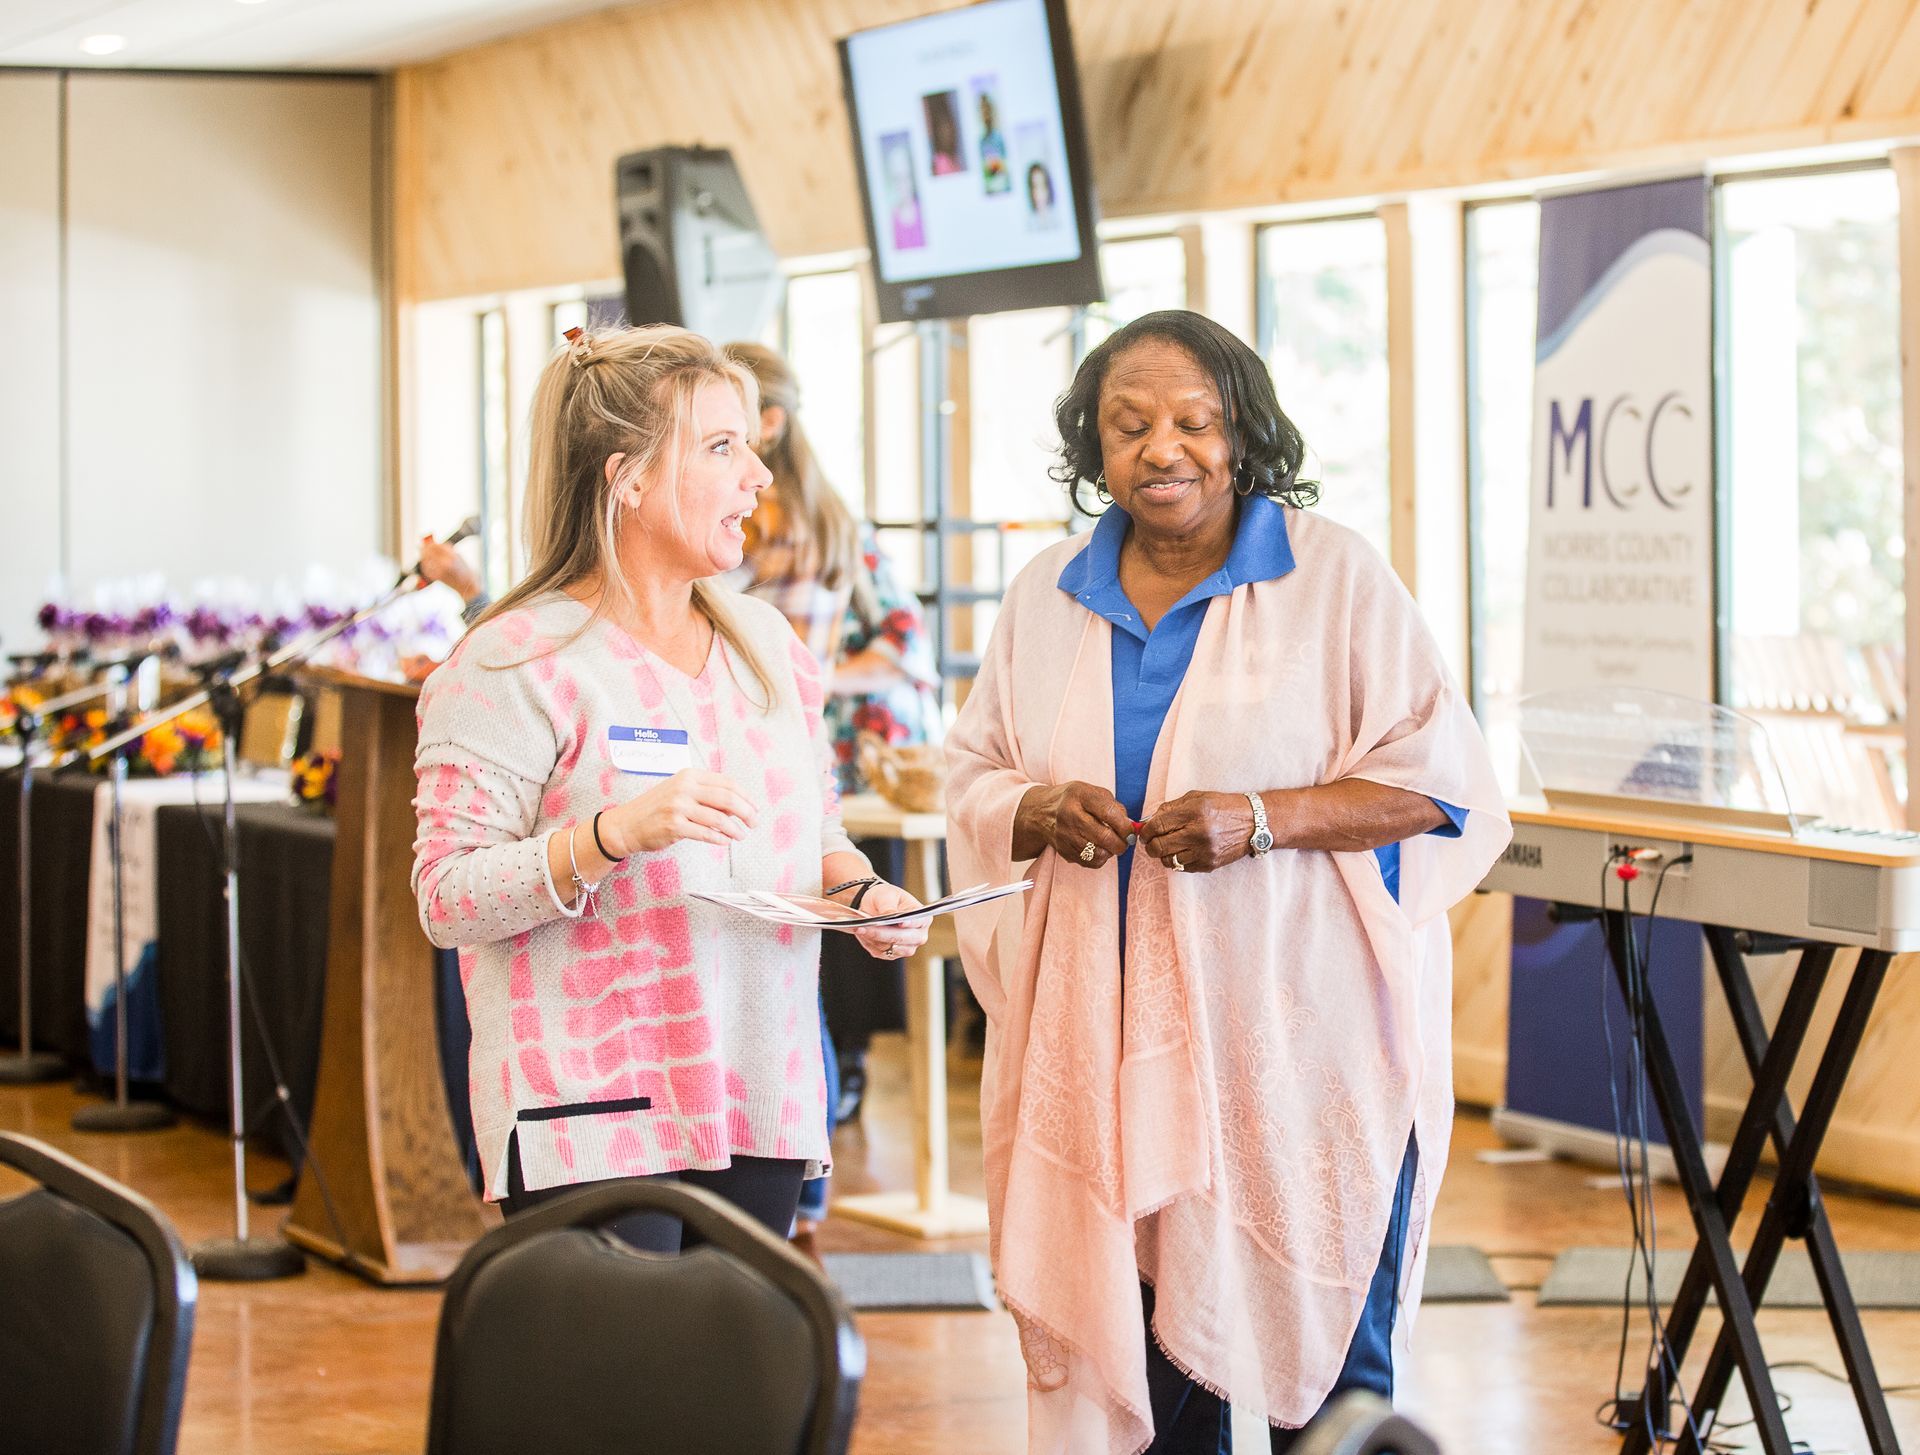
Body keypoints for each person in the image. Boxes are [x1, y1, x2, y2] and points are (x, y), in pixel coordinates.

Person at [946, 309, 1509, 1454]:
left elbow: (1440, 784)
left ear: (1242, 433)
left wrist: (1263, 819)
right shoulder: (1048, 594)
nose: (1163, 449)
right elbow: (972, 771)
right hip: (1114, 1056)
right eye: (1129, 425)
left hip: (1307, 1052)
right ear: (1092, 446)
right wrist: (1035, 810)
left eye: (1194, 422)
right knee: (1163, 1386)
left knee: (1336, 1379)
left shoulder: (1333, 578)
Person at [412, 323, 927, 1251]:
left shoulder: (769, 646)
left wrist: (863, 895)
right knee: (625, 1353)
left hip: (758, 1091)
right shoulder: (511, 661)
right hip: (588, 1108)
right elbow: (447, 899)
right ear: (630, 479)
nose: (757, 477)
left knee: (737, 1349)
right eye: (722, 447)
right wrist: (610, 834)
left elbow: (817, 834)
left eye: (751, 447)